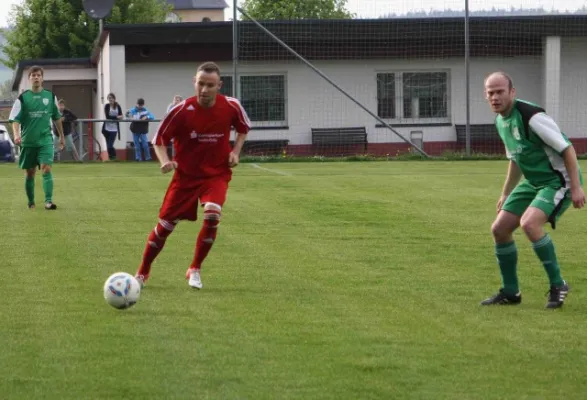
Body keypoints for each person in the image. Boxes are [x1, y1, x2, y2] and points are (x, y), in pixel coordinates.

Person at [135, 61, 251, 289]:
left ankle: (195, 268)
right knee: (165, 226)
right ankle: (142, 272)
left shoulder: (231, 106)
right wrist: (165, 161)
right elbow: (159, 140)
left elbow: (244, 128)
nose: (204, 90)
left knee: (212, 215)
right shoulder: (180, 111)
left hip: (215, 175)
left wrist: (235, 152)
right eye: (200, 84)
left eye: (210, 85)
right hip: (186, 178)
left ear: (219, 85)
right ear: (194, 83)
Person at [481, 71, 585, 309]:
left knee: (530, 224)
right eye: (491, 93)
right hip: (533, 180)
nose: (495, 97)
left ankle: (559, 284)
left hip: (559, 180)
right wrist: (506, 192)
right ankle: (510, 292)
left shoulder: (531, 116)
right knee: (500, 229)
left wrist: (577, 187)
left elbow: (567, 149)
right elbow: (516, 159)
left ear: (512, 92)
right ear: (486, 96)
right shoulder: (500, 121)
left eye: (500, 92)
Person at [9, 66, 64, 210]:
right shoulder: (22, 98)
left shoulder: (50, 97)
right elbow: (15, 120)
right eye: (33, 75)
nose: (36, 77)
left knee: (46, 168)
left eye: (38, 75)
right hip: (28, 142)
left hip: (45, 140)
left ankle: (48, 201)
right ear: (29, 79)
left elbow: (57, 118)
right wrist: (16, 135)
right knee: (30, 173)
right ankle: (31, 202)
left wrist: (62, 137)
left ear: (42, 78)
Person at [102, 93, 123, 161]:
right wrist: (117, 117)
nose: (110, 99)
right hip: (106, 128)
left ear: (114, 98)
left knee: (110, 145)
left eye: (111, 98)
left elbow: (121, 116)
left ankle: (114, 156)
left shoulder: (118, 106)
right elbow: (108, 116)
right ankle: (111, 159)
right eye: (109, 98)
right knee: (108, 146)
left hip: (114, 129)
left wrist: (118, 117)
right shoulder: (107, 106)